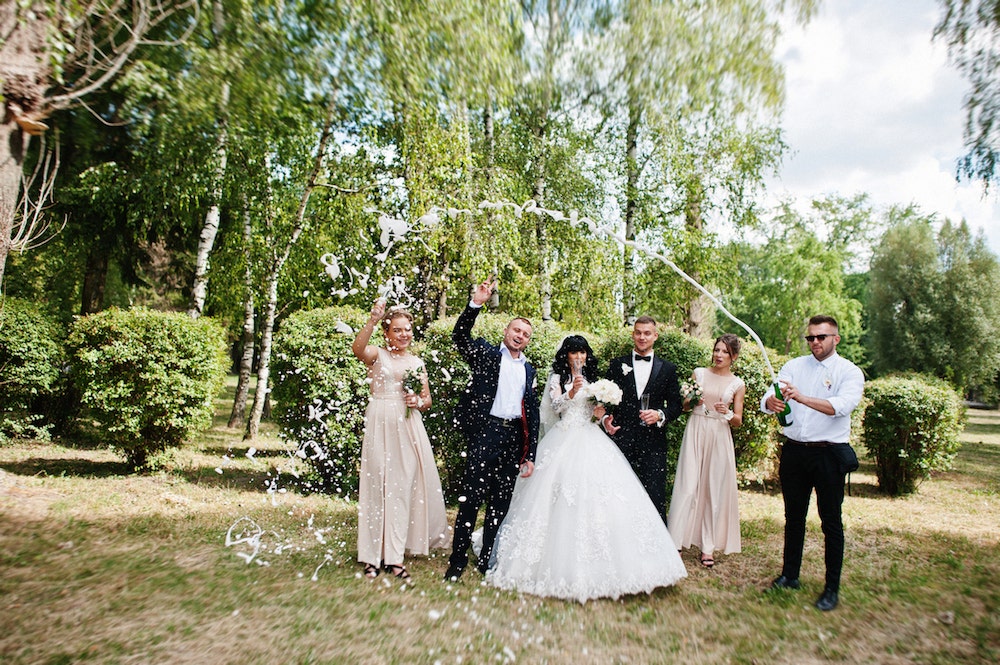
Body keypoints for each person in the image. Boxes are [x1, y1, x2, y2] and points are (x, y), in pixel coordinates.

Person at [486, 335, 687, 603]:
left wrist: (604, 416)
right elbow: (553, 408)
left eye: (582, 352)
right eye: (573, 353)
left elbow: (596, 409)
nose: (578, 357)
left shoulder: (594, 377)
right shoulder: (557, 378)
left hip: (591, 437)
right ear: (566, 355)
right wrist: (570, 392)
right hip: (564, 436)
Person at [761, 315, 864, 612]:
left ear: (836, 339)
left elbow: (840, 407)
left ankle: (831, 587)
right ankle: (790, 575)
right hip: (795, 452)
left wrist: (802, 398)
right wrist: (771, 402)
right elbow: (772, 391)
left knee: (830, 522)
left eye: (822, 337)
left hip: (829, 454)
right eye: (811, 338)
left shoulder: (850, 372)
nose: (815, 342)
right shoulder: (794, 366)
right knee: (794, 518)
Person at [444, 277, 540, 581]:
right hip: (485, 434)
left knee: (500, 503)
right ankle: (457, 560)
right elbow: (459, 336)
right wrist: (476, 304)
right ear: (506, 331)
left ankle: (486, 558)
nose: (520, 336)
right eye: (516, 330)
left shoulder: (529, 370)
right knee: (471, 499)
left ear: (527, 340)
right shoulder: (486, 355)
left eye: (525, 334)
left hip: (513, 440)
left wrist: (530, 454)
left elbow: (533, 414)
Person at [352, 299, 450, 582]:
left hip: (407, 424)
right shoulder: (376, 355)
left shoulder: (416, 362)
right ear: (387, 333)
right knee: (376, 484)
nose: (404, 334)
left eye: (408, 329)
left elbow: (427, 399)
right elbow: (357, 349)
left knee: (401, 486)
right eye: (398, 330)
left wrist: (418, 401)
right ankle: (371, 557)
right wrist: (372, 320)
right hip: (380, 419)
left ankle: (395, 557)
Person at [667, 334, 746, 569]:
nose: (719, 355)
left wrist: (727, 413)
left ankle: (707, 547)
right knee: (687, 484)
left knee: (714, 489)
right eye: (717, 350)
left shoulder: (737, 384)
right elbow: (684, 406)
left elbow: (739, 420)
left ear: (734, 357)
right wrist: (692, 402)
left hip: (719, 434)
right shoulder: (699, 373)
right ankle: (675, 541)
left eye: (725, 352)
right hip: (696, 428)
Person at [601, 316, 683, 521]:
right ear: (633, 335)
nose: (642, 337)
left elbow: (676, 405)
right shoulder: (617, 364)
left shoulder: (668, 369)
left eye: (647, 333)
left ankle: (656, 548)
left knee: (655, 494)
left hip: (654, 441)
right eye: (638, 332)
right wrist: (606, 420)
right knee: (616, 491)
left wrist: (660, 415)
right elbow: (604, 399)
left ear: (655, 336)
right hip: (622, 437)